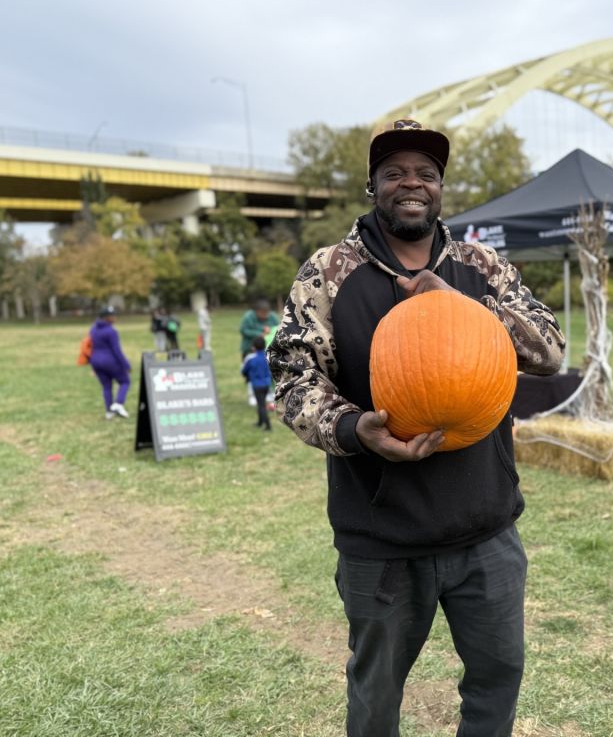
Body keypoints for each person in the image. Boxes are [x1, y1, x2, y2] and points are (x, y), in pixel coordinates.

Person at [267, 119, 565, 736]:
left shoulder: (481, 267)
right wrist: (353, 428)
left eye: (426, 174)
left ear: (440, 187)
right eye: (396, 172)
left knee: (497, 678)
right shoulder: (328, 272)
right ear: (373, 184)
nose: (412, 183)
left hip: (485, 529)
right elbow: (292, 379)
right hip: (382, 538)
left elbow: (550, 352)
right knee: (376, 696)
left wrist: (463, 308)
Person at [89, 305, 131, 419]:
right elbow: (116, 350)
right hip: (110, 361)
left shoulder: (93, 329)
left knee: (106, 386)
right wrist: (126, 364)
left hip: (95, 360)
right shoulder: (111, 331)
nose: (115, 317)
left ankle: (109, 412)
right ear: (107, 317)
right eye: (113, 315)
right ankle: (118, 403)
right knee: (125, 382)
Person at [240, 299, 278, 405]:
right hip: (250, 349)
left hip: (268, 350)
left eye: (267, 312)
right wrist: (261, 332)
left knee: (269, 372)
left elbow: (278, 328)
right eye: (262, 313)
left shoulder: (273, 317)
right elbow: (244, 330)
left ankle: (270, 393)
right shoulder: (249, 317)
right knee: (252, 373)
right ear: (256, 311)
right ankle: (252, 395)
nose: (265, 315)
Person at [241, 335, 272, 431]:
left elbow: (244, 370)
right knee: (261, 403)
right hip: (267, 384)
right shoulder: (267, 356)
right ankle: (260, 422)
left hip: (257, 385)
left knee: (261, 405)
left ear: (253, 347)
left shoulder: (251, 358)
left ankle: (267, 426)